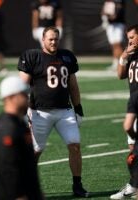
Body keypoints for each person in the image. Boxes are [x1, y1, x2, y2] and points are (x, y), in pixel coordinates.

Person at [18, 26, 88, 197]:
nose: (53, 42)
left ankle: (77, 185)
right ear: (43, 39)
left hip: (65, 111)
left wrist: (78, 108)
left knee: (75, 146)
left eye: (56, 39)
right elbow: (21, 86)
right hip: (40, 112)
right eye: (50, 39)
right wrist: (22, 109)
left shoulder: (67, 56)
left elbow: (73, 85)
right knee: (35, 151)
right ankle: (26, 186)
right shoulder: (33, 56)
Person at [0, 76, 44, 200]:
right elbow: (8, 170)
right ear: (11, 97)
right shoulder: (8, 128)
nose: (28, 99)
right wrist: (20, 196)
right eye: (24, 95)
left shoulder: (20, 124)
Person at [110, 24, 138, 199]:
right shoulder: (132, 54)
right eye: (128, 38)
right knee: (133, 151)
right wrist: (123, 56)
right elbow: (120, 75)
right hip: (134, 106)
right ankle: (134, 185)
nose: (130, 41)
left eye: (133, 37)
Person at [101, 0, 125, 70]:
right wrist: (104, 19)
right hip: (110, 25)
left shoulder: (118, 1)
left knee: (117, 44)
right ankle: (115, 63)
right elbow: (103, 12)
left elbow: (116, 14)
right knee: (113, 45)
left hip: (118, 24)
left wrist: (111, 15)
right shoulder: (108, 2)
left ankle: (122, 63)